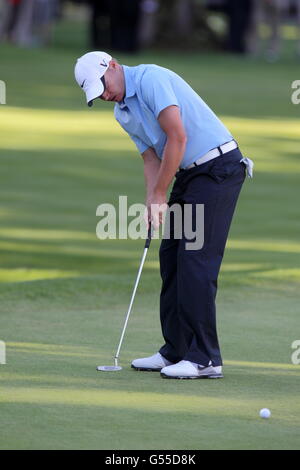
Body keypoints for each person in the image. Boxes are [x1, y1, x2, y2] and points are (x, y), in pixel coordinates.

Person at [74, 51, 253, 380]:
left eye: (102, 86)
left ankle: (205, 358)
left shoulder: (151, 78)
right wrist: (151, 199)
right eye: (96, 95)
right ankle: (176, 350)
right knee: (171, 256)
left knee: (195, 259)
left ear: (111, 66)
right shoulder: (122, 112)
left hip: (217, 169)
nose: (103, 95)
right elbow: (150, 160)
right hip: (186, 173)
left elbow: (178, 136)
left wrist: (161, 193)